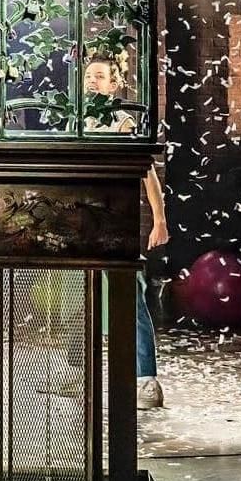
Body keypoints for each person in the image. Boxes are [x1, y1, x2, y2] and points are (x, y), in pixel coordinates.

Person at [82, 53, 170, 410]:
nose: (92, 82)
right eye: (88, 76)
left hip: (117, 219)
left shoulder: (122, 122)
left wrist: (160, 220)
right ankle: (82, 371)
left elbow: (147, 172)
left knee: (130, 298)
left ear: (114, 84)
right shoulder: (77, 121)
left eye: (100, 76)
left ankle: (146, 377)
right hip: (82, 217)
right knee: (81, 293)